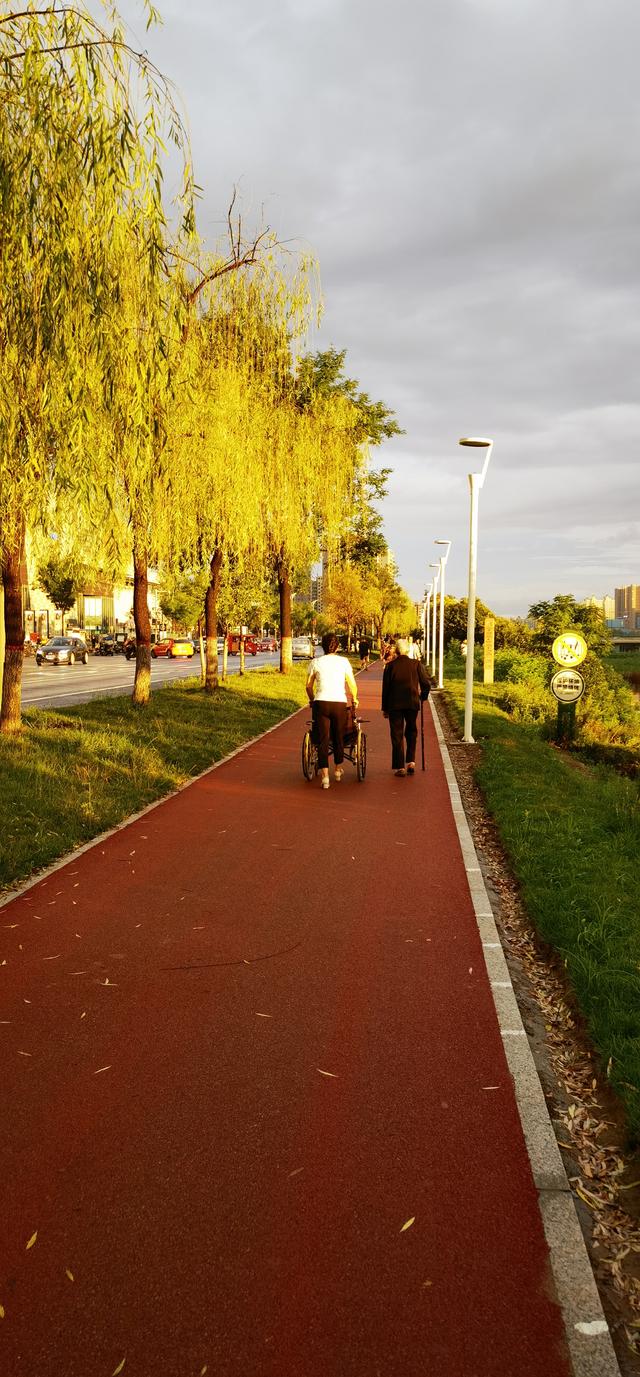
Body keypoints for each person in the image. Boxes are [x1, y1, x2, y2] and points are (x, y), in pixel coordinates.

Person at [306, 633, 359, 790]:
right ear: (337, 646)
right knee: (338, 737)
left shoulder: (316, 662)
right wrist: (354, 698)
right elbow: (352, 684)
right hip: (338, 703)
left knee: (322, 739)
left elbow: (308, 686)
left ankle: (325, 777)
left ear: (322, 646)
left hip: (321, 702)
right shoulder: (344, 662)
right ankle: (337, 770)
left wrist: (312, 699)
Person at [381, 637, 431, 776]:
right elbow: (426, 684)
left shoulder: (390, 666)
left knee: (396, 734)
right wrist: (423, 697)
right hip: (411, 702)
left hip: (394, 704)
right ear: (408, 650)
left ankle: (399, 767)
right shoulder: (416, 664)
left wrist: (385, 708)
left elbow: (385, 689)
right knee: (411, 731)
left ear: (396, 650)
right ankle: (411, 762)